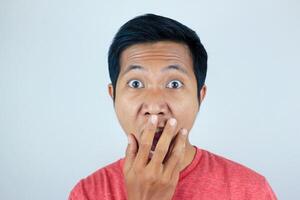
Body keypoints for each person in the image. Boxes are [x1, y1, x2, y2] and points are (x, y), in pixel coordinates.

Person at [68, 13, 277, 200]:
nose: (155, 107)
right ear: (113, 96)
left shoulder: (252, 192)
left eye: (174, 84)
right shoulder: (87, 193)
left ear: (200, 97)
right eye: (136, 83)